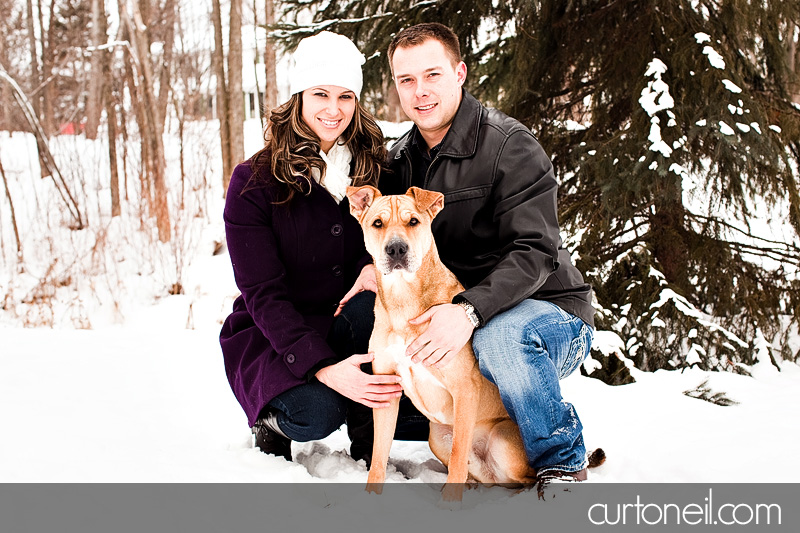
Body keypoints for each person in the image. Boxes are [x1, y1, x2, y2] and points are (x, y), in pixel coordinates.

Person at [378, 23, 597, 481]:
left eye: (432, 75)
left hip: (548, 313)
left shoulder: (508, 146)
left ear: (459, 73)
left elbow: (535, 251)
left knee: (498, 339)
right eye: (406, 80)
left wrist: (469, 311)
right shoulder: (399, 161)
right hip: (465, 310)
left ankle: (561, 461)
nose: (420, 92)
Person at [219, 31, 426, 464]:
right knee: (316, 413)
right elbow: (263, 293)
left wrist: (373, 268)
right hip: (276, 332)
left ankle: (372, 443)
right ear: (298, 96)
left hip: (350, 321)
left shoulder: (375, 169)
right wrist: (325, 370)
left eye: (345, 97)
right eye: (320, 94)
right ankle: (272, 420)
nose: (334, 110)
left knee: (371, 315)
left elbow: (392, 236)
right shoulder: (253, 181)